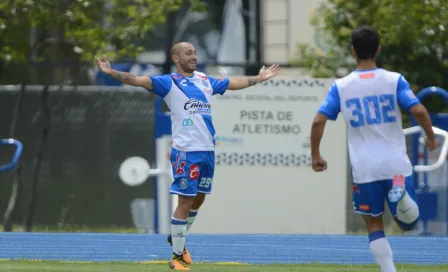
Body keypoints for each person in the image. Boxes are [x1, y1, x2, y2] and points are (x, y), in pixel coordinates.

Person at [95, 42, 280, 270]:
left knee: (199, 198)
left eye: (194, 53)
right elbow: (137, 80)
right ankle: (176, 257)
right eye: (188, 53)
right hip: (186, 152)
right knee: (184, 200)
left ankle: (177, 238)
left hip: (207, 150)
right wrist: (112, 72)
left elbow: (232, 83)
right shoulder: (168, 82)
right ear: (176, 58)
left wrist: (258, 79)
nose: (193, 56)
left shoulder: (204, 80)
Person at [309, 26, 437, 272]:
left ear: (353, 51)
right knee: (409, 224)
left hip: (364, 168)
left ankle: (389, 270)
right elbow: (419, 110)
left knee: (373, 223)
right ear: (378, 49)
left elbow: (318, 120)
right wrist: (430, 137)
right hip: (395, 165)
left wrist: (316, 154)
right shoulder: (394, 80)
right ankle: (403, 201)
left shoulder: (341, 86)